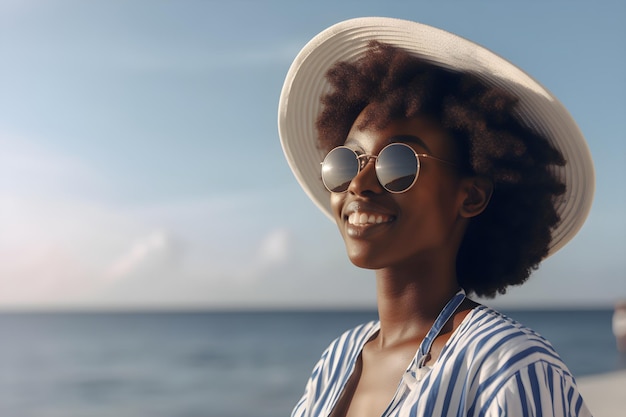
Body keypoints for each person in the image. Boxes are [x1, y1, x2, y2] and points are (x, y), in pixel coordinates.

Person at [278, 17, 594, 417]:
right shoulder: (337, 361)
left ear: (471, 196)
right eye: (347, 161)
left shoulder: (508, 366)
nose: (359, 183)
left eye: (397, 163)